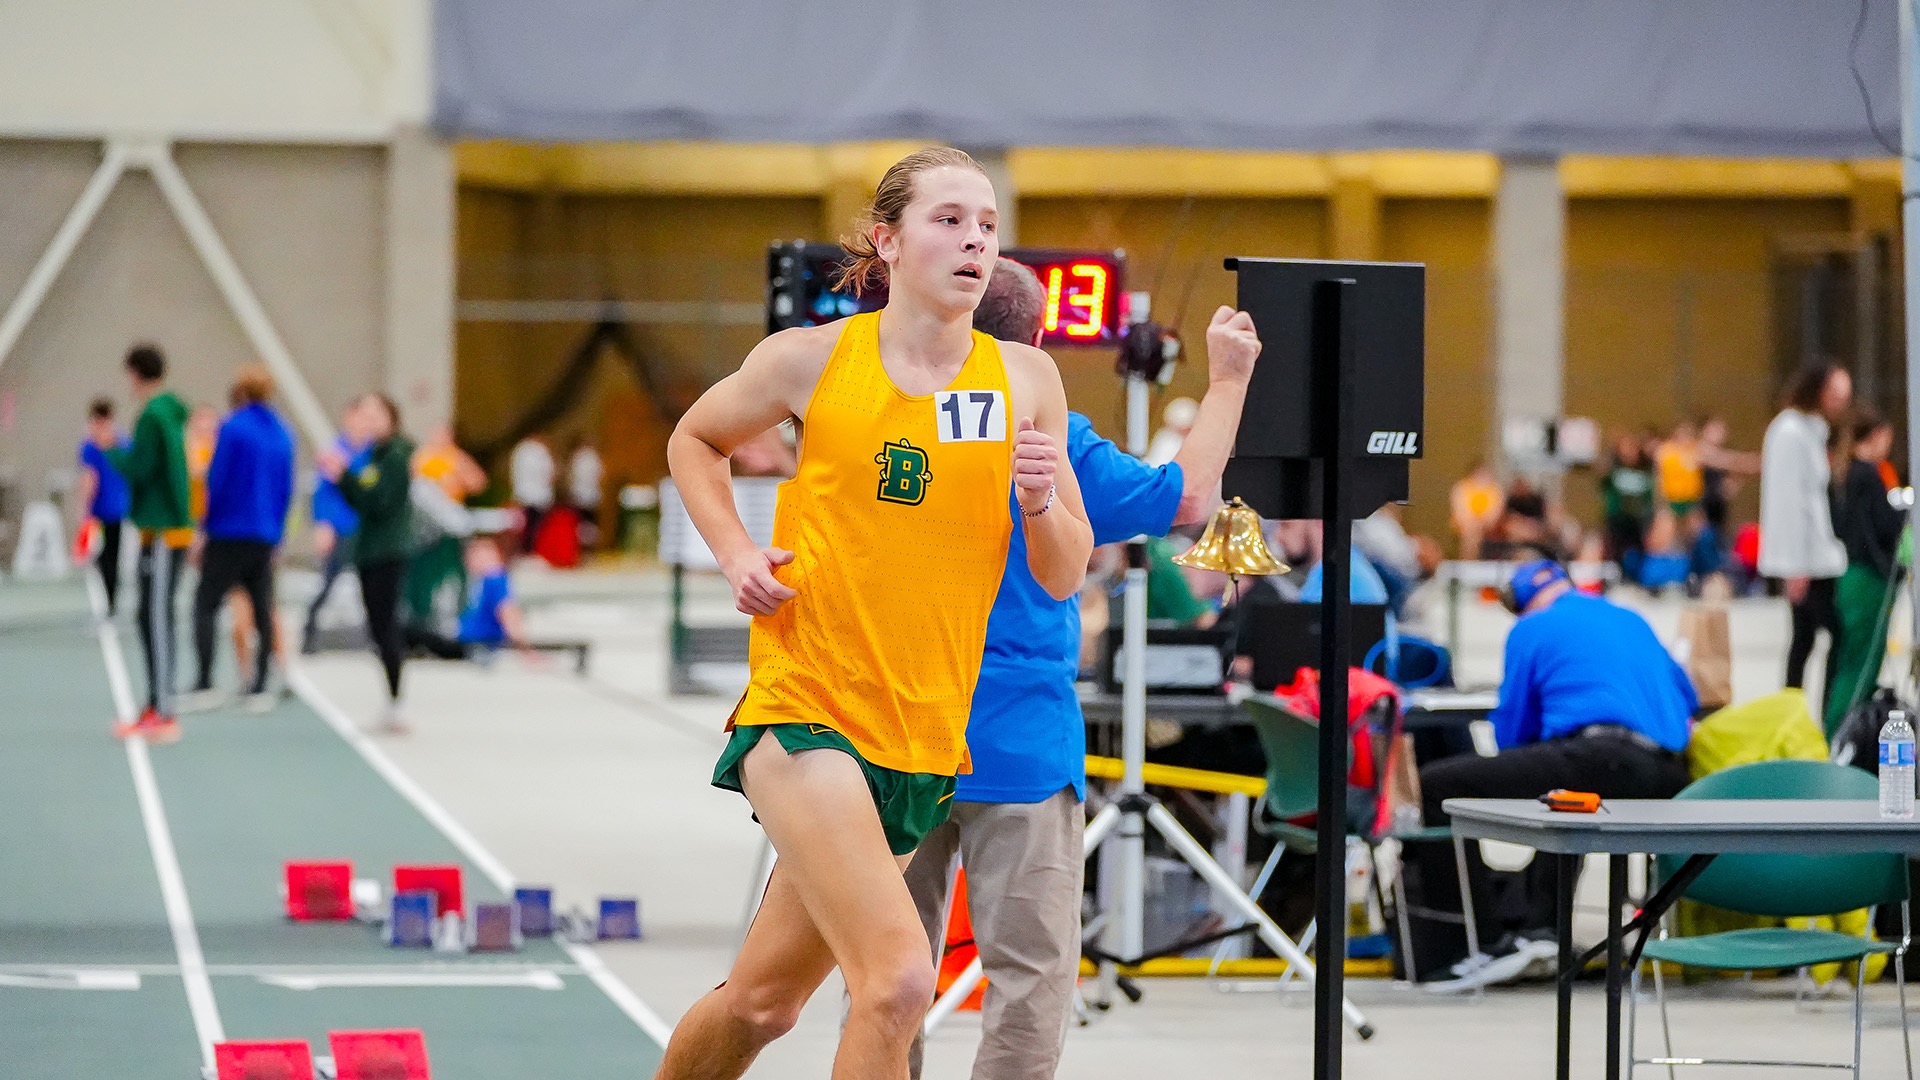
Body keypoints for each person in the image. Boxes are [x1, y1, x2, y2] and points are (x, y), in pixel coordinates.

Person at [653, 147, 1092, 1080]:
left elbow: (1063, 575)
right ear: (887, 241)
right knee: (897, 980)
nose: (974, 239)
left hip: (922, 742)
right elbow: (696, 439)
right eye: (949, 220)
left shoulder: (1027, 381)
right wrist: (736, 550)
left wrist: (1044, 500)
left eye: (987, 224)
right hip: (807, 709)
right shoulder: (809, 361)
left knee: (763, 1004)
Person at [900, 257, 1260, 1080]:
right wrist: (1229, 378)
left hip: (900, 727)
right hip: (1019, 741)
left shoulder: (894, 421)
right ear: (1036, 343)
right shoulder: (1052, 438)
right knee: (1027, 982)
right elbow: (1190, 496)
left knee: (891, 975)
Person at [1418, 559, 1694, 989]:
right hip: (1663, 772)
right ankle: (1542, 928)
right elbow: (1687, 696)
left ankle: (1482, 946)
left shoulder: (1531, 628)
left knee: (1436, 786)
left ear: (1522, 604)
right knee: (1566, 790)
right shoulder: (1628, 617)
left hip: (1597, 755)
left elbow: (1512, 732)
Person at [179, 365, 295, 713]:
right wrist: (277, 535)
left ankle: (204, 682)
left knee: (205, 604)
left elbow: (219, 480)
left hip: (229, 530)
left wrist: (204, 528)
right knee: (262, 609)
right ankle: (259, 687)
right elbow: (285, 488)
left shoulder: (232, 428)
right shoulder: (283, 433)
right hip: (264, 534)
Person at [107, 344, 191, 743]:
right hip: (164, 530)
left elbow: (142, 469)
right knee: (151, 616)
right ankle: (156, 705)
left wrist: (110, 449)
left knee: (156, 618)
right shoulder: (170, 413)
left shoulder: (153, 416)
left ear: (135, 373)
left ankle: (164, 710)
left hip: (161, 531)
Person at [318, 394, 415, 734]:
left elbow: (380, 502)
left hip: (387, 552)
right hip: (369, 551)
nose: (370, 420)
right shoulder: (372, 456)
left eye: (377, 413)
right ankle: (391, 700)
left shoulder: (397, 456)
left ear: (392, 416)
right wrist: (340, 477)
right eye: (365, 413)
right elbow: (360, 499)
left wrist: (346, 476)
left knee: (386, 626)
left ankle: (396, 702)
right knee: (377, 627)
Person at [1759, 363, 1852, 694]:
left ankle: (1805, 716)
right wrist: (1794, 567)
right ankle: (1813, 715)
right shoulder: (1790, 432)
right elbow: (1787, 502)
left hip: (1818, 554)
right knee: (1823, 637)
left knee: (1806, 638)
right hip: (1806, 560)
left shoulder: (1811, 431)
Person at [1826, 407, 1906, 732]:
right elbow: (1887, 525)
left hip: (1851, 576)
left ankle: (1839, 726)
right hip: (1870, 578)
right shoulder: (1870, 476)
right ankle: (1844, 730)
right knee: (1862, 663)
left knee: (1852, 659)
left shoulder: (1842, 474)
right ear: (1876, 437)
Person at [302, 399, 374, 653]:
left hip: (364, 528)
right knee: (327, 582)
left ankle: (374, 638)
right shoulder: (334, 451)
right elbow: (323, 494)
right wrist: (323, 525)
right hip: (340, 526)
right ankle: (308, 634)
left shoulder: (372, 453)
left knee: (371, 585)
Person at [77, 398, 132, 616]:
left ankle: (111, 599)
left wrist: (83, 506)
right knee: (112, 554)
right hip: (118, 505)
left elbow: (90, 478)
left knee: (108, 555)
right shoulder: (122, 441)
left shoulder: (91, 445)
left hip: (106, 506)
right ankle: (111, 599)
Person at [1598, 433, 1654, 568]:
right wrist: (1610, 449)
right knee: (1614, 552)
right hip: (1617, 519)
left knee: (1639, 553)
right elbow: (1601, 472)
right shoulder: (1613, 471)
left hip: (1638, 521)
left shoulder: (1644, 472)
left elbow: (1649, 498)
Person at [413, 423, 487, 504]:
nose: (440, 438)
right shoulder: (421, 455)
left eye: (443, 435)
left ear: (451, 438)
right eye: (437, 435)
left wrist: (459, 478)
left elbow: (479, 483)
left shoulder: (459, 457)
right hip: (423, 504)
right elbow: (410, 477)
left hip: (449, 504)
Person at [510, 433, 556, 554]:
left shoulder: (520, 449)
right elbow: (548, 473)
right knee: (535, 526)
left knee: (524, 525)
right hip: (537, 495)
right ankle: (531, 549)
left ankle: (523, 549)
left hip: (523, 493)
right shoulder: (539, 452)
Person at [1449, 459, 1503, 559]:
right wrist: (1474, 523)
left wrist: (1484, 522)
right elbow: (1461, 511)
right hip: (1466, 526)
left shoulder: (1494, 489)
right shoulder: (1461, 488)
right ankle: (1468, 562)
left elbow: (1495, 512)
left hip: (1489, 527)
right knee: (1472, 533)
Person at [568, 435, 605, 546]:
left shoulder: (584, 457)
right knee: (585, 524)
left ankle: (587, 545)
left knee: (587, 524)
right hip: (584, 494)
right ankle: (585, 545)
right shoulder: (585, 457)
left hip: (585, 494)